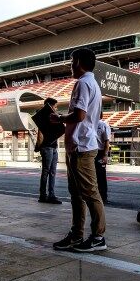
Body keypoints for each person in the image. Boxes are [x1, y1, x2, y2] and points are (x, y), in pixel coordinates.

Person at [52, 48, 106, 252]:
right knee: (76, 194)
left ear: (79, 62)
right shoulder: (93, 84)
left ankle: (98, 236)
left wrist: (59, 118)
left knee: (90, 193)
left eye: (71, 61)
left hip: (82, 146)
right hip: (79, 146)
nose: (70, 65)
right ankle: (76, 234)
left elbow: (80, 115)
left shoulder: (82, 83)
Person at [34, 97, 64, 204]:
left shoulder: (52, 117)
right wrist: (38, 146)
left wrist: (37, 147)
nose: (56, 108)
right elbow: (40, 135)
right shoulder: (43, 118)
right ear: (49, 106)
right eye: (55, 106)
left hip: (52, 147)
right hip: (47, 147)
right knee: (48, 172)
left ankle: (49, 195)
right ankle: (45, 195)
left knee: (49, 172)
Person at [95, 115, 111, 204]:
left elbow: (107, 141)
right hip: (91, 152)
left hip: (100, 153)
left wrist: (105, 155)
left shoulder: (104, 124)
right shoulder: (90, 123)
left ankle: (103, 197)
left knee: (101, 175)